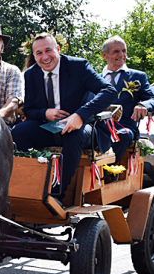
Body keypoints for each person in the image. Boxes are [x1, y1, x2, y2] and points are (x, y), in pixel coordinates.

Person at [10, 32, 118, 197]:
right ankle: (28, 185)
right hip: (50, 127)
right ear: (34, 55)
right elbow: (30, 111)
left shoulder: (79, 66)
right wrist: (45, 113)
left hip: (85, 127)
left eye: (48, 50)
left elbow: (109, 91)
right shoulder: (30, 75)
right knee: (18, 132)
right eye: (39, 53)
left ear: (58, 49)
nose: (44, 56)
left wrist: (80, 116)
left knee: (73, 134)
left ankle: (56, 194)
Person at [97, 36, 154, 162]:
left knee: (123, 136)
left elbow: (153, 100)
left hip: (123, 127)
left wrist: (143, 105)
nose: (122, 55)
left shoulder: (138, 76)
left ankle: (107, 171)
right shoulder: (95, 78)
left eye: (124, 51)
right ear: (105, 55)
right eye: (116, 52)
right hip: (98, 127)